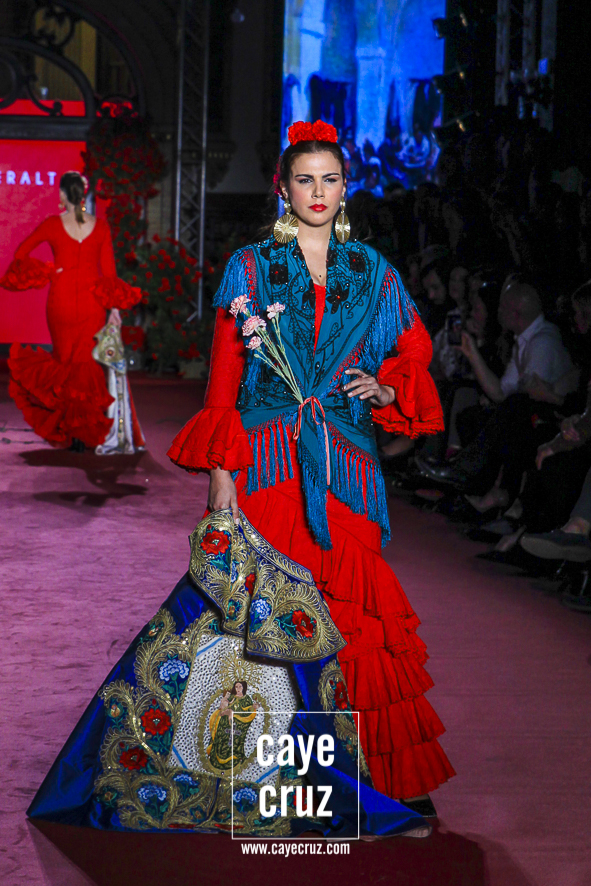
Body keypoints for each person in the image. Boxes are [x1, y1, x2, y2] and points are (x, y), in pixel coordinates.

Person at [27, 122, 453, 838]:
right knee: (241, 613)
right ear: (283, 188)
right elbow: (224, 379)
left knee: (354, 616)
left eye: (329, 179)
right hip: (268, 462)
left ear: (344, 188)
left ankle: (376, 786)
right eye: (304, 179)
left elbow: (413, 348)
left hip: (344, 468)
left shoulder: (373, 271)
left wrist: (384, 387)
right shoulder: (251, 268)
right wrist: (221, 475)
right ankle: (227, 773)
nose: (317, 192)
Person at [0, 171, 145, 454]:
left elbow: (21, 252)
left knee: (65, 362)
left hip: (61, 300)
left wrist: (48, 272)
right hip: (92, 304)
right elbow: (110, 273)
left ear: (63, 195)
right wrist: (114, 309)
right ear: (83, 195)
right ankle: (84, 433)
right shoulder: (100, 226)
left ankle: (71, 433)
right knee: (86, 365)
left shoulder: (53, 224)